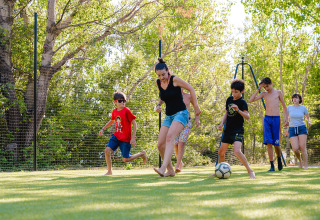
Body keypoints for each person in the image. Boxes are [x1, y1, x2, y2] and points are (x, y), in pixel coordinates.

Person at [154, 58, 201, 177]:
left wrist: (196, 107)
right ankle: (170, 171)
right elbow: (162, 96)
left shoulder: (174, 80)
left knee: (170, 137)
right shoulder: (159, 83)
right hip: (169, 115)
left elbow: (191, 88)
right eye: (159, 75)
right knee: (160, 144)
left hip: (181, 113)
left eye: (163, 74)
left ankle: (163, 167)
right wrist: (158, 105)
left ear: (167, 71)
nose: (162, 77)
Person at [210, 79, 255, 179]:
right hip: (228, 130)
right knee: (221, 152)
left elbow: (247, 117)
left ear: (241, 91)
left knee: (237, 151)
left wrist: (238, 110)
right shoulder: (229, 100)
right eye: (232, 91)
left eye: (236, 92)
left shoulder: (242, 102)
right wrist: (221, 124)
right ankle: (219, 171)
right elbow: (226, 112)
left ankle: (250, 171)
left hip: (238, 130)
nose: (234, 94)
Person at [99, 91, 147, 175]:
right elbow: (112, 121)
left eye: (124, 101)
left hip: (125, 138)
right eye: (120, 101)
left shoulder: (126, 111)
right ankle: (109, 171)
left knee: (126, 159)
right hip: (116, 136)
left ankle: (142, 154)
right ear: (115, 102)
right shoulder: (114, 111)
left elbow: (134, 123)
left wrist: (133, 138)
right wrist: (103, 129)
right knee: (107, 150)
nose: (122, 102)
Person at [249, 77, 289, 171]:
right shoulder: (264, 94)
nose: (266, 88)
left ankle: (279, 159)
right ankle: (271, 166)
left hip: (276, 119)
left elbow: (284, 106)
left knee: (276, 144)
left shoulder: (278, 92)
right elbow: (251, 100)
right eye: (264, 87)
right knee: (269, 143)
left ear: (271, 83)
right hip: (267, 119)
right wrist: (259, 88)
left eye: (267, 86)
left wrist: (286, 119)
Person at [173, 89, 200, 173]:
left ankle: (178, 165)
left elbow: (196, 107)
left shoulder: (188, 96)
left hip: (187, 121)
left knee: (181, 143)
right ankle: (180, 162)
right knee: (175, 144)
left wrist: (197, 119)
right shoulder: (173, 97)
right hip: (176, 122)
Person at [286, 93, 311, 169]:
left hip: (301, 128)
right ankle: (300, 160)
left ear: (299, 99)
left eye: (296, 98)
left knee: (302, 147)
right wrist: (286, 129)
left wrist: (309, 121)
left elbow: (307, 117)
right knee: (295, 148)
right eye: (293, 98)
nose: (295, 99)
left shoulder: (303, 108)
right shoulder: (289, 108)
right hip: (292, 128)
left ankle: (305, 164)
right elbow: (286, 119)